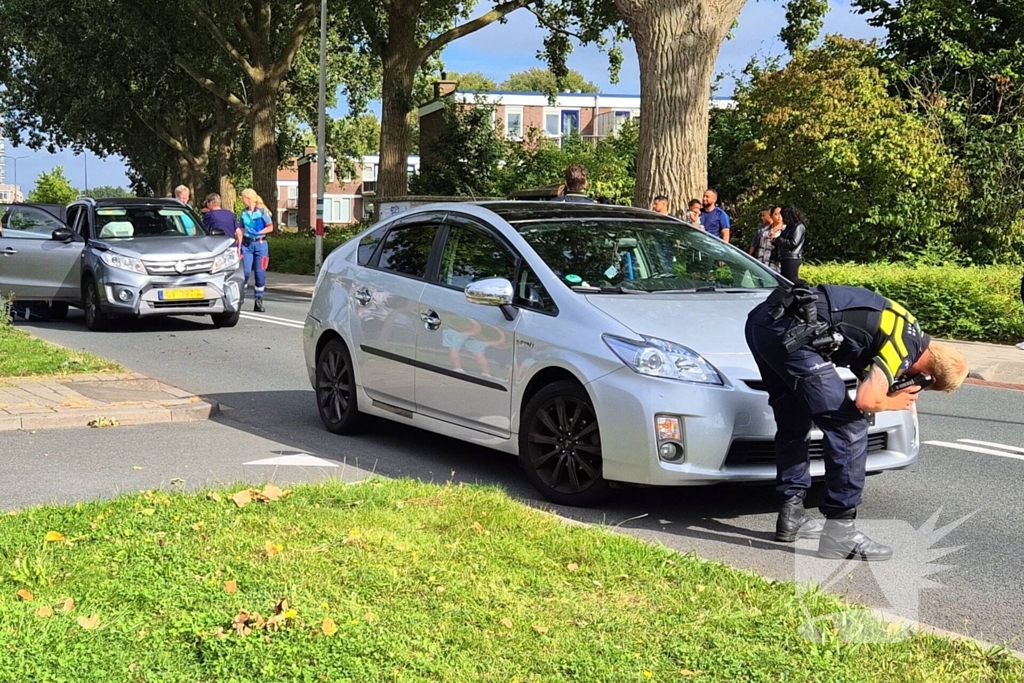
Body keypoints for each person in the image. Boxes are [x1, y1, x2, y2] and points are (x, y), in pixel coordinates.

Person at [745, 281, 969, 561]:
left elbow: (863, 363)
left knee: (794, 419)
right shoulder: (905, 346)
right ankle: (841, 533)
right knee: (849, 427)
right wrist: (891, 402)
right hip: (793, 334)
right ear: (928, 378)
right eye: (925, 386)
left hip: (764, 323)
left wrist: (886, 390)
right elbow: (866, 399)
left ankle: (792, 515)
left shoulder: (907, 327)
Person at [239, 188, 273, 313]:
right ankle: (240, 298)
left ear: (248, 198)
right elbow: (241, 228)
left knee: (260, 273)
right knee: (246, 272)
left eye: (243, 198)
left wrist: (259, 232)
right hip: (247, 245)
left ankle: (258, 300)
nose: (242, 200)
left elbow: (270, 227)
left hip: (260, 244)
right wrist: (238, 245)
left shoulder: (262, 211)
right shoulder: (243, 213)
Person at [774, 205, 807, 281]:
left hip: (792, 257)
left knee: (791, 281)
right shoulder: (789, 227)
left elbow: (794, 242)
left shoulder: (799, 226)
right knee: (785, 281)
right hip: (785, 257)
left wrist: (778, 240)